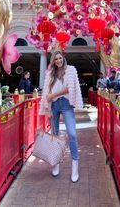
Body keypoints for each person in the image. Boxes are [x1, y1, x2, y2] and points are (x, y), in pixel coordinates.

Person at [39, 51, 83, 182]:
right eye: (56, 59)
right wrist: (48, 109)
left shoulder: (70, 70)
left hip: (66, 103)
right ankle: (55, 162)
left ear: (63, 58)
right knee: (55, 135)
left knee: (72, 134)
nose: (58, 60)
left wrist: (53, 95)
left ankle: (75, 164)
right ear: (53, 62)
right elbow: (47, 92)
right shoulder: (50, 74)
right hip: (54, 106)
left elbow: (70, 88)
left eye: (60, 58)